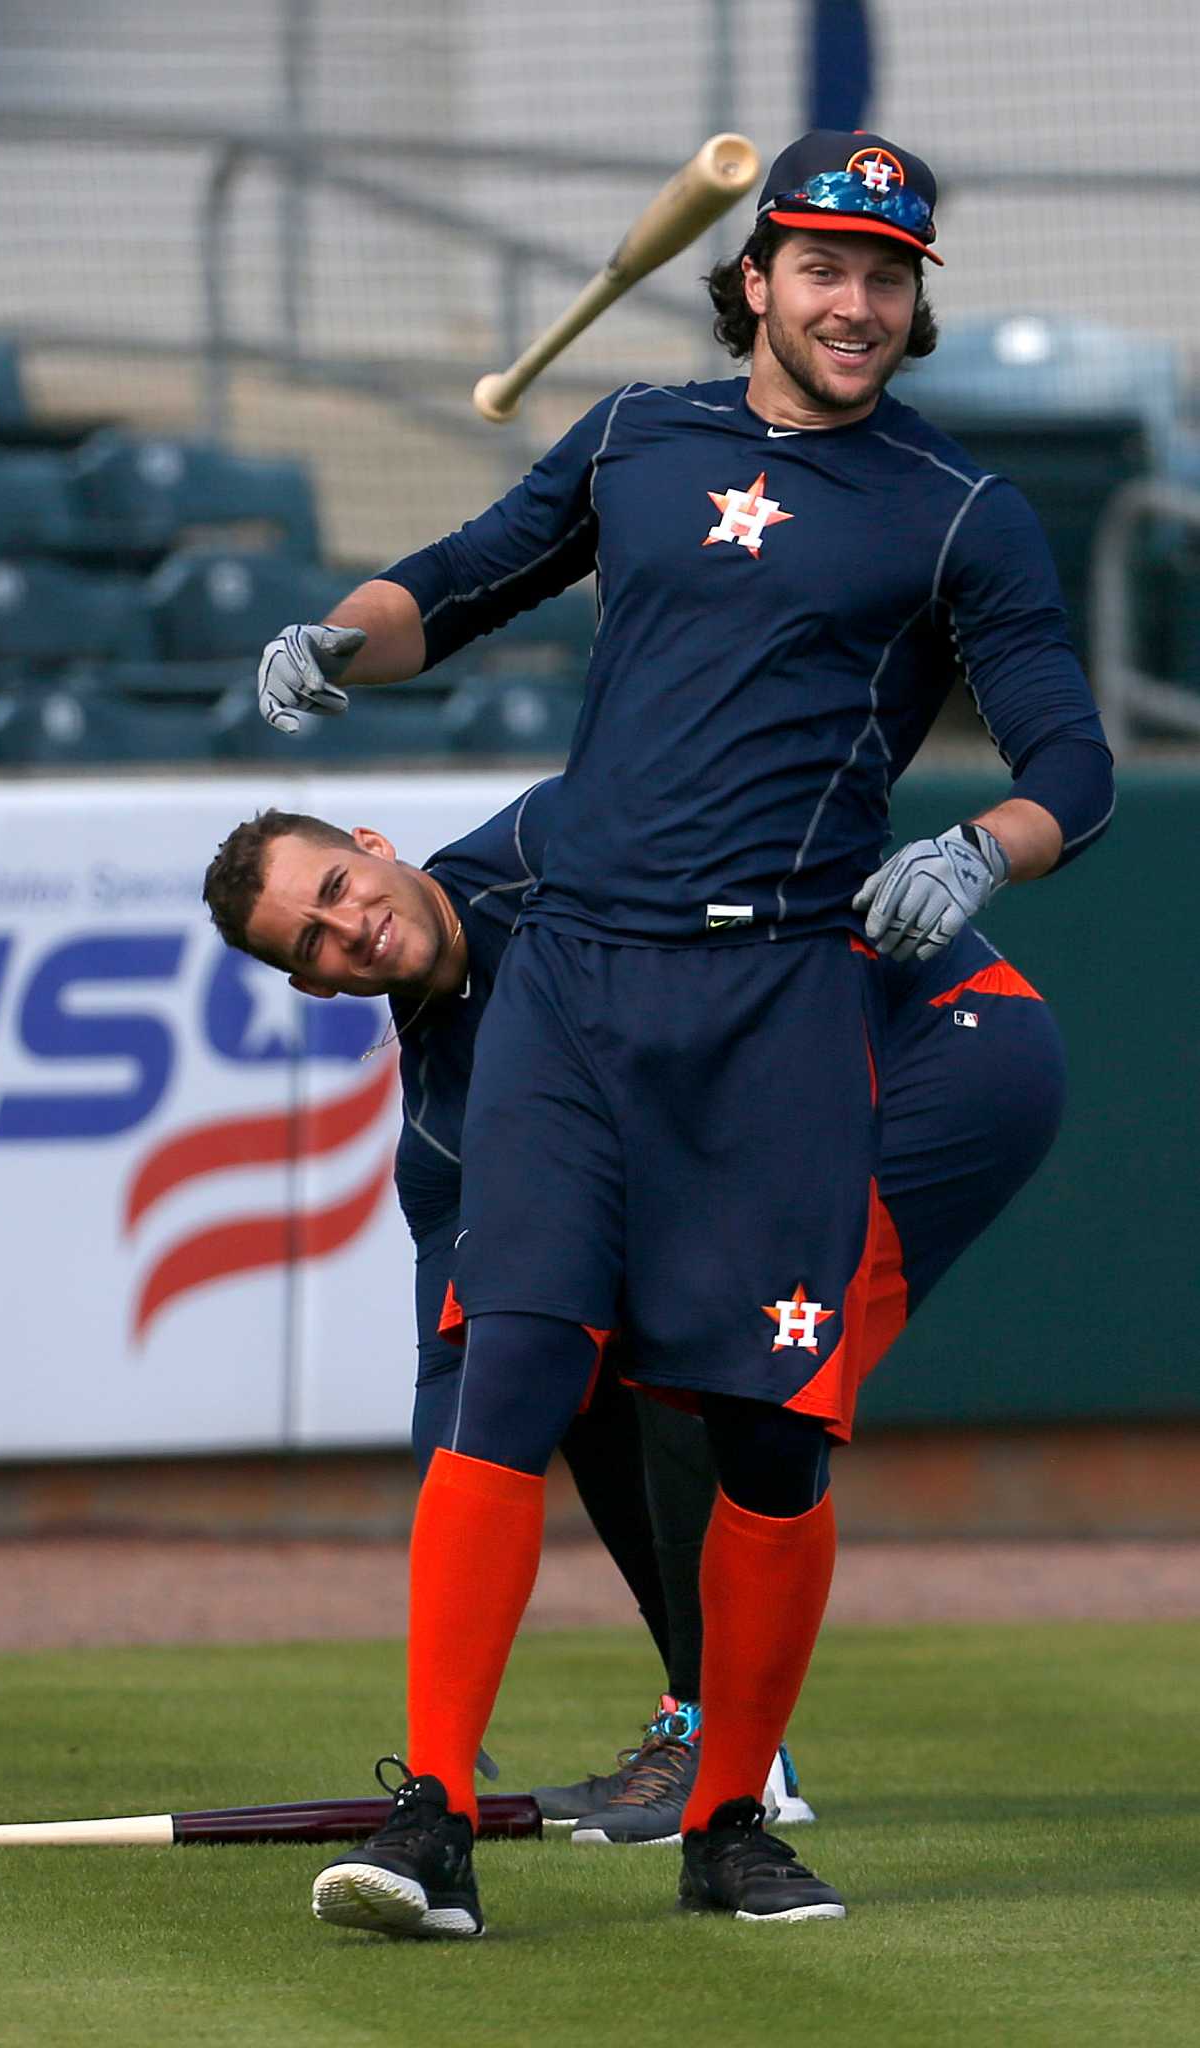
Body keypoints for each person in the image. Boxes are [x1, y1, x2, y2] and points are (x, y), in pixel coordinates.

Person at [249, 128, 1114, 1935]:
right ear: (753, 280)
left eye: (884, 276)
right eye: (818, 267)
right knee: (514, 1372)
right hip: (575, 983)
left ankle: (729, 1818)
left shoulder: (958, 507)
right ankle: (428, 1819)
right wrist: (339, 637)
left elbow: (1071, 765)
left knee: (771, 1435)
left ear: (911, 298)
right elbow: (461, 572)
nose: (852, 302)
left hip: (782, 1001)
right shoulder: (635, 435)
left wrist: (977, 847)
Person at [202, 778, 1066, 1850]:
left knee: (706, 1351)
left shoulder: (552, 835)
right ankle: (703, 1722)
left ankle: (730, 1755)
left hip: (943, 1044)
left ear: (375, 845)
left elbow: (771, 852)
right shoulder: (440, 1126)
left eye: (337, 885)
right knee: (573, 1359)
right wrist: (448, 1665)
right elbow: (458, 1372)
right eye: (315, 942)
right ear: (315, 987)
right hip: (796, 1110)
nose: (351, 929)